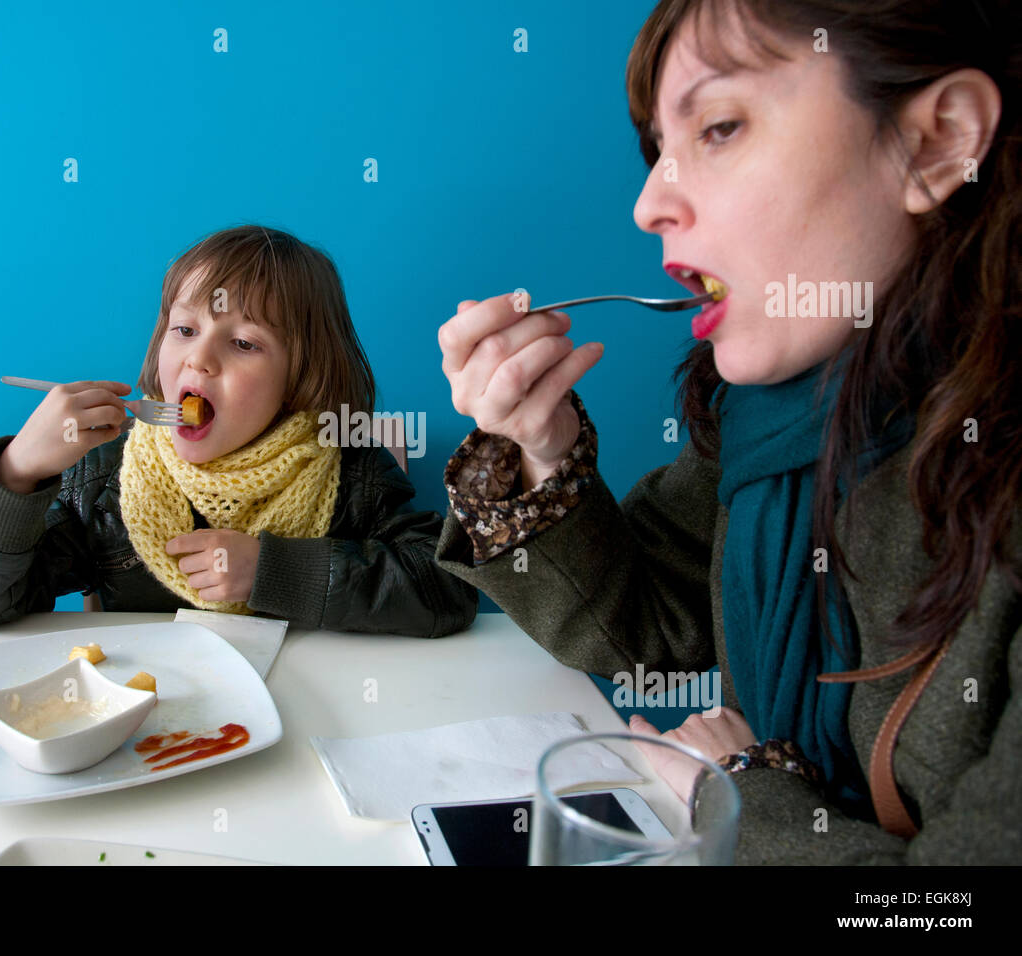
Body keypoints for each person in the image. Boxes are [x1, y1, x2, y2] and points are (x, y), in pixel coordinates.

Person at [434, 0, 1020, 863]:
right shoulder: (780, 412)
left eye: (717, 127)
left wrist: (741, 792)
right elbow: (646, 634)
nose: (648, 203)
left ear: (937, 144)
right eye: (657, 152)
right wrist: (541, 449)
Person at [0, 225, 476, 639]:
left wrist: (277, 571)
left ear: (298, 377)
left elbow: (448, 589)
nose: (199, 358)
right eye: (185, 329)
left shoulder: (348, 462)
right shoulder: (106, 474)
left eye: (243, 343)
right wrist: (17, 471)